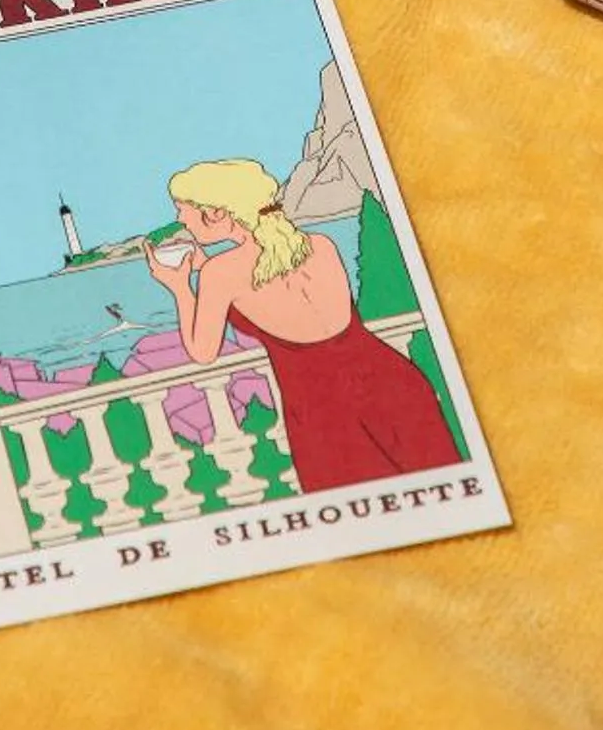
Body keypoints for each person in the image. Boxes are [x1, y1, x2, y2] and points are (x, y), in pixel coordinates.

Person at [140, 157, 457, 492]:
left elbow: (203, 352)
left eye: (183, 209)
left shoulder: (219, 273)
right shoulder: (319, 244)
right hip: (393, 383)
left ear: (216, 212)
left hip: (324, 412)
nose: (180, 219)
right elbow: (286, 295)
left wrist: (179, 288)